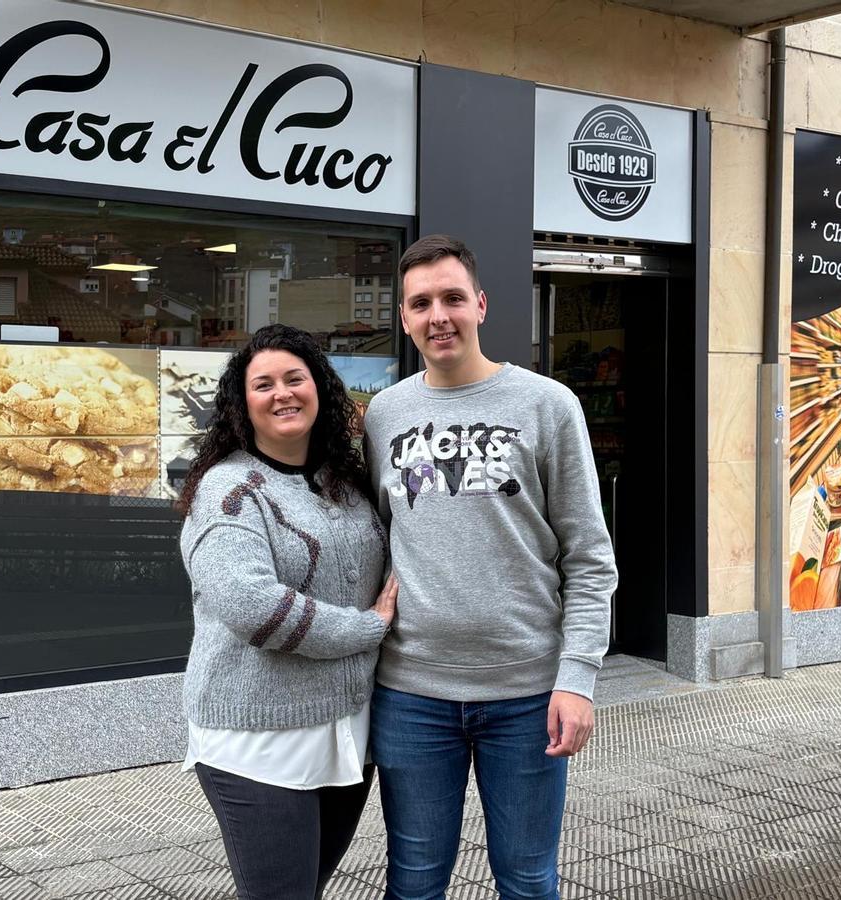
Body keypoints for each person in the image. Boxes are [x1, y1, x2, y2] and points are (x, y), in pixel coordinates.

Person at [364, 235, 618, 900]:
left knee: (528, 880)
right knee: (414, 882)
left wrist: (578, 678)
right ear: (404, 316)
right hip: (412, 694)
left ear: (480, 304)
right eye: (421, 302)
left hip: (528, 696)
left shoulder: (547, 405)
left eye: (452, 297)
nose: (438, 314)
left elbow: (589, 556)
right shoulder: (386, 414)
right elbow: (373, 538)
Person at [178, 324, 398, 900]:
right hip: (258, 740)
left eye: (295, 378)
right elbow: (251, 606)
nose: (283, 393)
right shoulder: (228, 492)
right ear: (240, 404)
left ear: (319, 389)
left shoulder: (343, 484)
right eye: (264, 384)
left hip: (344, 733)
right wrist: (369, 628)